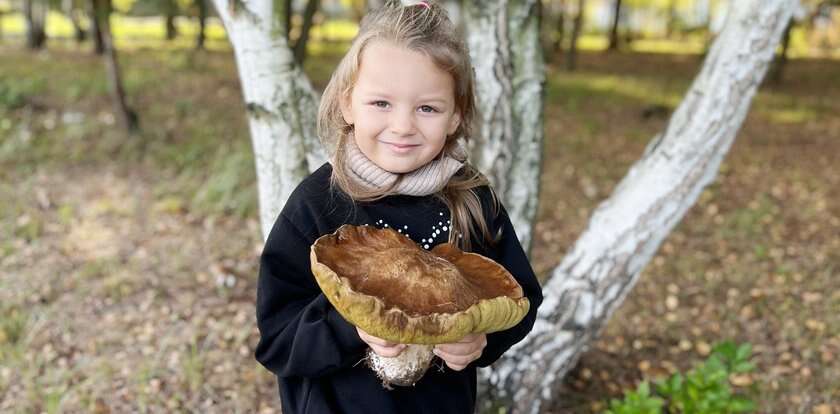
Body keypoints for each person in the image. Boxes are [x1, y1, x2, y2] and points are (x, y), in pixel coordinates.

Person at [255, 1, 543, 412]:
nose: (403, 125)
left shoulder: (475, 201)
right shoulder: (317, 204)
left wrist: (483, 340)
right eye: (381, 104)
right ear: (347, 103)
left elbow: (522, 300)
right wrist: (350, 327)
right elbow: (278, 339)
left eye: (427, 107)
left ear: (456, 116)